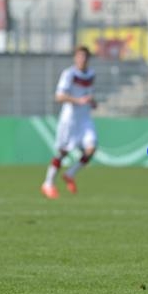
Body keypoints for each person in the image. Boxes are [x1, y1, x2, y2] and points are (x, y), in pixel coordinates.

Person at [41, 45, 97, 199]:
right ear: (75, 58)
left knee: (91, 149)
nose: (82, 59)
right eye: (79, 56)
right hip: (70, 119)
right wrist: (78, 100)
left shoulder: (91, 74)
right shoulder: (69, 74)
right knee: (63, 152)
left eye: (85, 57)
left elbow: (88, 94)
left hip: (84, 118)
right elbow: (59, 96)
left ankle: (70, 174)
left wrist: (92, 102)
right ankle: (48, 183)